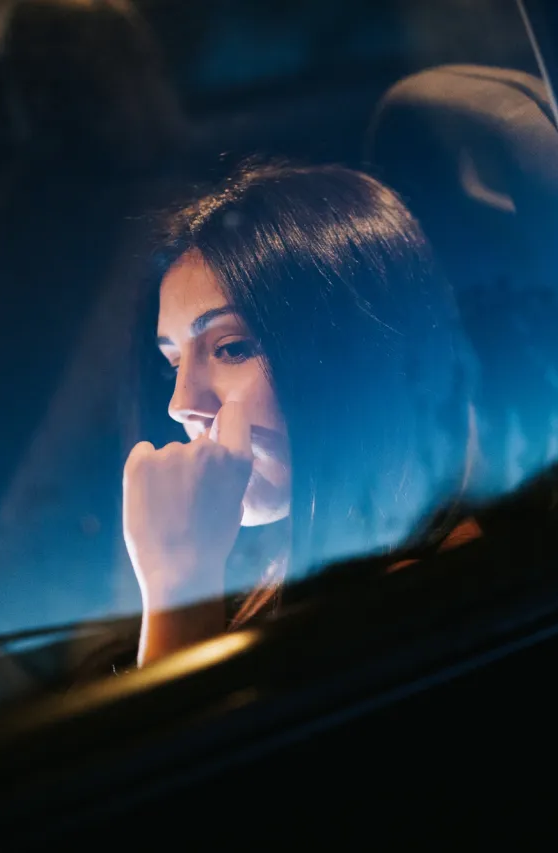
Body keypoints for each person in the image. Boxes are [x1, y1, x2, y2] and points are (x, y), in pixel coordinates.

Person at [121, 160, 480, 665]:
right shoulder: (295, 562)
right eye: (174, 362)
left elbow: (192, 743)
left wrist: (180, 579)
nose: (181, 405)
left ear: (353, 359)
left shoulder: (428, 603)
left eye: (232, 348)